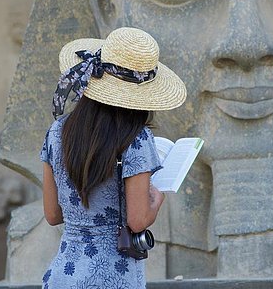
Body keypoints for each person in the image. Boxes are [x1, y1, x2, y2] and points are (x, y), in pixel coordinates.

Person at [39, 27, 187, 288]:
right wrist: (156, 199)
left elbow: (52, 214)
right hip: (114, 277)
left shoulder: (57, 131)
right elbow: (138, 220)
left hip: (64, 275)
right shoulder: (136, 139)